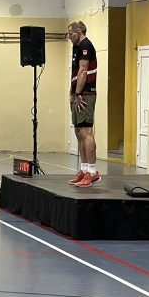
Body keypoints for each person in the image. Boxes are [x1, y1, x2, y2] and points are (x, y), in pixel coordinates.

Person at [66, 21, 100, 187]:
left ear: (78, 33)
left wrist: (79, 93)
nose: (69, 37)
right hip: (77, 94)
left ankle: (92, 172)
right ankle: (84, 169)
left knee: (86, 132)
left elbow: (83, 70)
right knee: (79, 132)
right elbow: (75, 72)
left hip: (85, 93)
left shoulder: (86, 45)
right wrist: (72, 93)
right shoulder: (76, 47)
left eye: (70, 34)